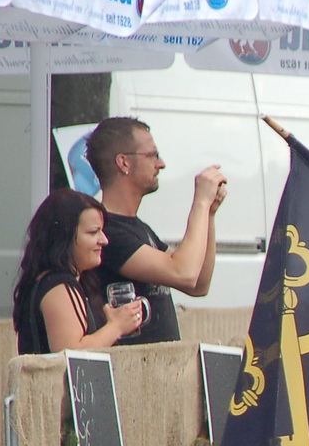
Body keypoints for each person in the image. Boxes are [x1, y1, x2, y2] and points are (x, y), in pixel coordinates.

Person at [84, 116, 226, 345]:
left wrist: (209, 214)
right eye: (152, 155)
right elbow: (184, 273)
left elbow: (199, 283)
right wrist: (200, 202)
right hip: (133, 373)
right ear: (124, 163)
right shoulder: (108, 232)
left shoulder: (139, 228)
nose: (161, 164)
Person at [12, 189, 145, 355]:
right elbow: (71, 353)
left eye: (102, 231)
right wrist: (116, 326)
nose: (104, 240)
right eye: (93, 232)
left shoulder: (55, 281)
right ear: (63, 237)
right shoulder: (58, 287)